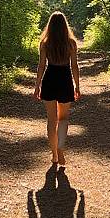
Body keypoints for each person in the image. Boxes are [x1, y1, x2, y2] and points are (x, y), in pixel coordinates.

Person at [33, 11, 80, 166]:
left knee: (51, 120)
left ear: (50, 26)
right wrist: (77, 86)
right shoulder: (71, 43)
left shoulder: (45, 43)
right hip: (65, 80)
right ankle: (60, 148)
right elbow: (74, 66)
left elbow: (41, 66)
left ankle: (54, 154)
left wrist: (37, 86)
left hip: (50, 79)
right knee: (63, 119)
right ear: (65, 25)